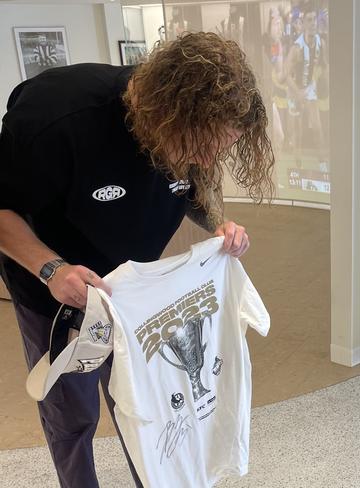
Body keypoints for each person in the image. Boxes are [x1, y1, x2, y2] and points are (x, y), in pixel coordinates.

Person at [0, 32, 274, 488]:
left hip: (131, 290)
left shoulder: (193, 134)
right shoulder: (57, 119)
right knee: (73, 411)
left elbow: (192, 191)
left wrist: (221, 224)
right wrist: (51, 270)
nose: (207, 160)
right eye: (203, 145)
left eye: (219, 149)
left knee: (146, 403)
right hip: (54, 284)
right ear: (169, 116)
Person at [286, 0, 328, 172]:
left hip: (309, 89)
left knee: (317, 128)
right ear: (302, 24)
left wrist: (321, 80)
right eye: (308, 20)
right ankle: (298, 166)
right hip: (295, 91)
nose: (312, 24)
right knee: (299, 132)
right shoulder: (296, 47)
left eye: (314, 20)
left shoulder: (320, 42)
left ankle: (323, 164)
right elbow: (286, 74)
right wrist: (297, 93)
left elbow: (325, 65)